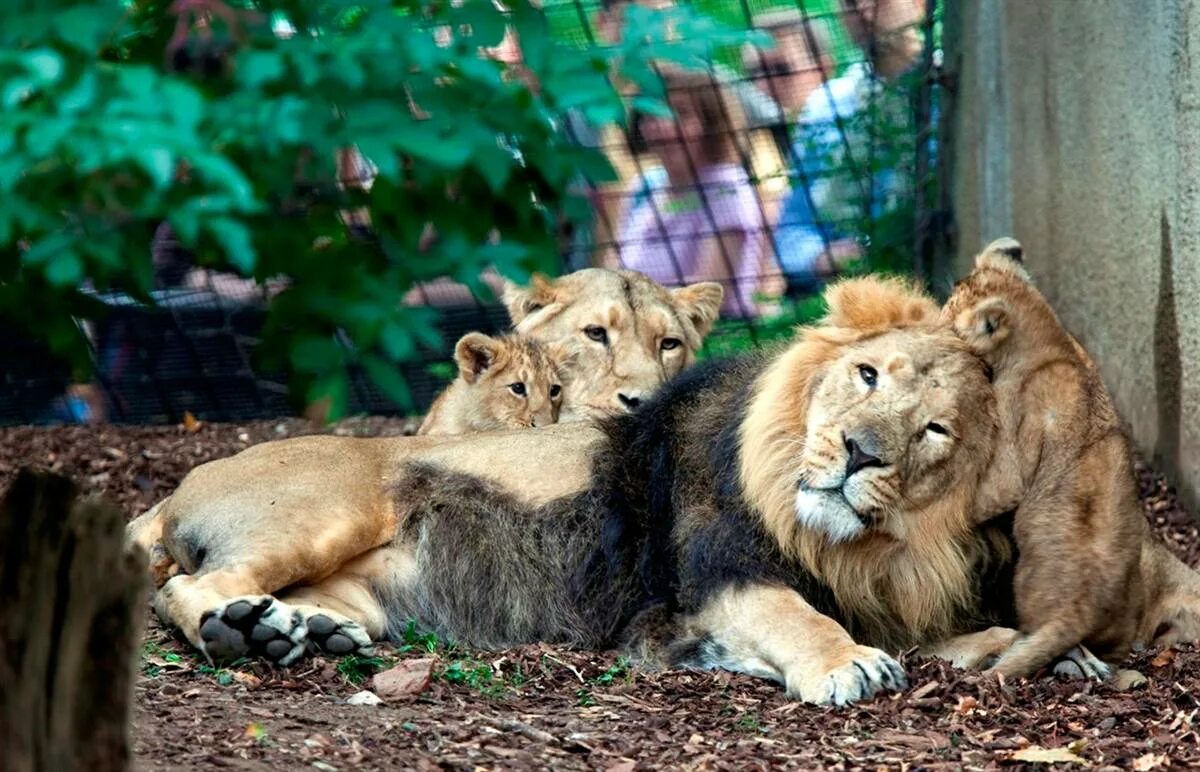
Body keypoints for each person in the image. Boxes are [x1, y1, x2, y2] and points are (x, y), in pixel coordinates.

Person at [610, 66, 780, 319]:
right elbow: (607, 273)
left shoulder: (726, 190)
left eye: (681, 114)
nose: (662, 128)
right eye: (651, 115)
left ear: (711, 124)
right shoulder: (643, 187)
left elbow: (707, 298)